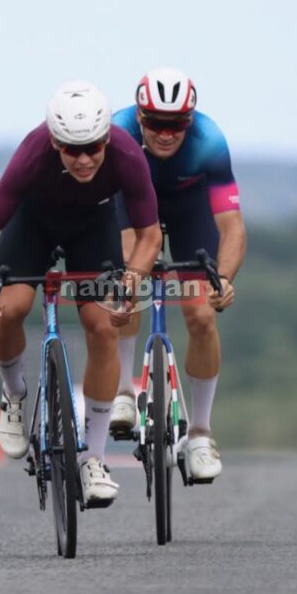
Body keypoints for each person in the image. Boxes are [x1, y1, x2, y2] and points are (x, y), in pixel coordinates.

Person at [0, 80, 162, 507]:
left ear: (107, 138)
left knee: (104, 326)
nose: (85, 159)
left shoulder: (127, 153)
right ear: (55, 141)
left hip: (93, 228)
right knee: (10, 308)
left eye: (93, 147)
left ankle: (93, 458)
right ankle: (14, 392)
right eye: (72, 150)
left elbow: (149, 235)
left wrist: (133, 277)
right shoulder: (32, 154)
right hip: (33, 224)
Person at [109, 67, 246, 482]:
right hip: (132, 204)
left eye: (176, 125)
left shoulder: (210, 142)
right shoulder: (117, 133)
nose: (165, 134)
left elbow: (232, 227)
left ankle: (201, 435)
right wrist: (132, 270)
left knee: (202, 315)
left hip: (189, 208)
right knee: (127, 283)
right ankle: (121, 392)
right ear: (139, 116)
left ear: (190, 121)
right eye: (155, 123)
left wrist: (222, 279)